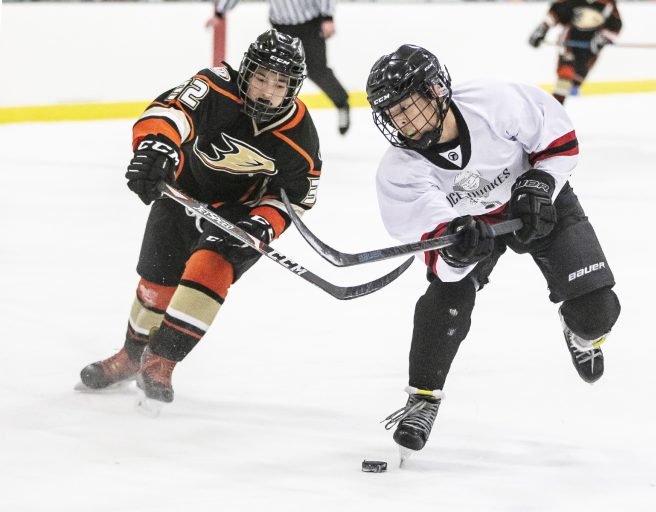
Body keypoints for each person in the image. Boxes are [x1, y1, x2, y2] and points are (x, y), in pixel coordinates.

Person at [367, 45, 621, 457]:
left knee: (598, 313)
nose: (402, 124)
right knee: (446, 299)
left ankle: (582, 335)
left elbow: (559, 146)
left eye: (407, 108)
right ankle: (423, 398)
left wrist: (539, 184)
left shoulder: (496, 103)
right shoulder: (401, 170)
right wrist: (456, 250)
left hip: (537, 205)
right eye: (391, 115)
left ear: (436, 90)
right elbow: (436, 253)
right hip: (474, 229)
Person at [79, 29, 323, 405]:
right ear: (245, 71)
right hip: (183, 193)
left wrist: (262, 224)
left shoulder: (301, 134)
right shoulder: (215, 87)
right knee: (156, 282)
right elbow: (172, 111)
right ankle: (131, 356)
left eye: (279, 83)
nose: (266, 90)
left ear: (293, 88)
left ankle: (162, 361)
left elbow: (297, 197)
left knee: (210, 270)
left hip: (237, 215)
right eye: (260, 77)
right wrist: (157, 145)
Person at [207, 0, 350, 135]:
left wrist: (328, 16)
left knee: (318, 72)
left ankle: (341, 102)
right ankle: (273, 121)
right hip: (281, 27)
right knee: (275, 75)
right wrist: (220, 12)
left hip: (310, 24)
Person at [528, 0, 623, 104]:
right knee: (565, 74)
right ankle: (556, 105)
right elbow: (556, 13)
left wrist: (602, 38)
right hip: (569, 45)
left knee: (577, 80)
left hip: (590, 50)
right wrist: (543, 28)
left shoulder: (607, 4)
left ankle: (567, 93)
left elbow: (615, 25)